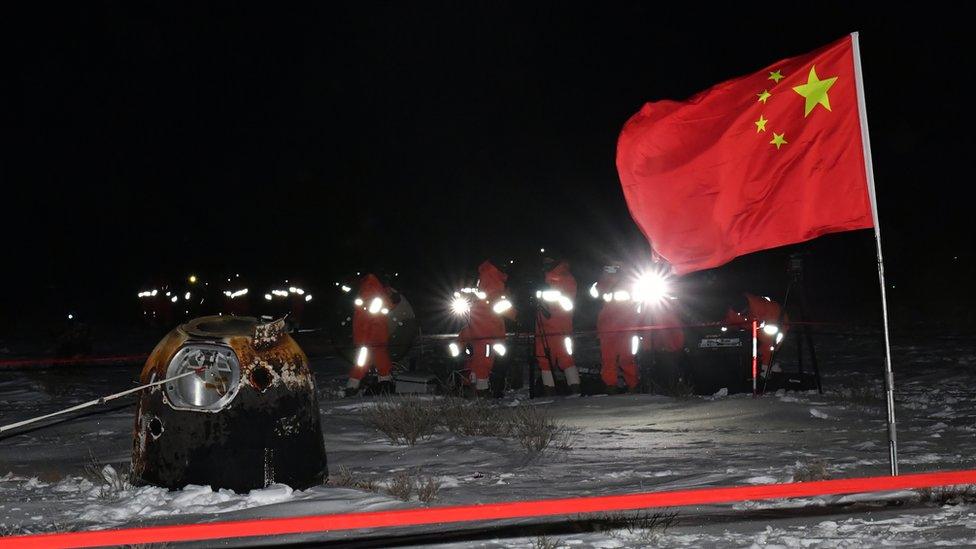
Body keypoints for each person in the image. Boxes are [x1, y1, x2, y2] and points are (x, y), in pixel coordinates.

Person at [457, 260, 515, 397]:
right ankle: (482, 392)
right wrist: (517, 316)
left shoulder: (483, 280)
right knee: (483, 362)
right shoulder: (493, 284)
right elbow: (503, 309)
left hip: (475, 330)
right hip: (487, 332)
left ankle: (471, 389)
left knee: (474, 361)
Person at [535, 257, 580, 395]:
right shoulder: (541, 279)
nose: (546, 263)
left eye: (549, 260)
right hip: (543, 327)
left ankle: (575, 391)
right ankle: (549, 391)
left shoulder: (566, 278)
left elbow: (568, 304)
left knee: (566, 358)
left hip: (561, 327)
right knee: (543, 359)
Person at [594, 265, 642, 394]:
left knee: (626, 357)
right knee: (608, 358)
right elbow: (594, 294)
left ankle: (633, 385)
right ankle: (611, 385)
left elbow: (638, 302)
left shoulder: (631, 283)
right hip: (607, 328)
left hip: (626, 327)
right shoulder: (601, 283)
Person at [345, 274, 394, 397]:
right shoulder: (372, 289)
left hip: (366, 336)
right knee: (375, 359)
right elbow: (373, 316)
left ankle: (353, 386)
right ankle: (383, 384)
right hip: (372, 336)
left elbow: (374, 311)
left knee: (363, 361)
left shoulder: (369, 288)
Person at [725, 293, 789, 375]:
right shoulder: (734, 310)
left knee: (770, 345)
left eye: (744, 312)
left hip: (773, 325)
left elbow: (773, 337)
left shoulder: (768, 308)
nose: (741, 314)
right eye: (739, 313)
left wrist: (765, 363)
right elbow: (729, 323)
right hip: (750, 330)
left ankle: (766, 369)